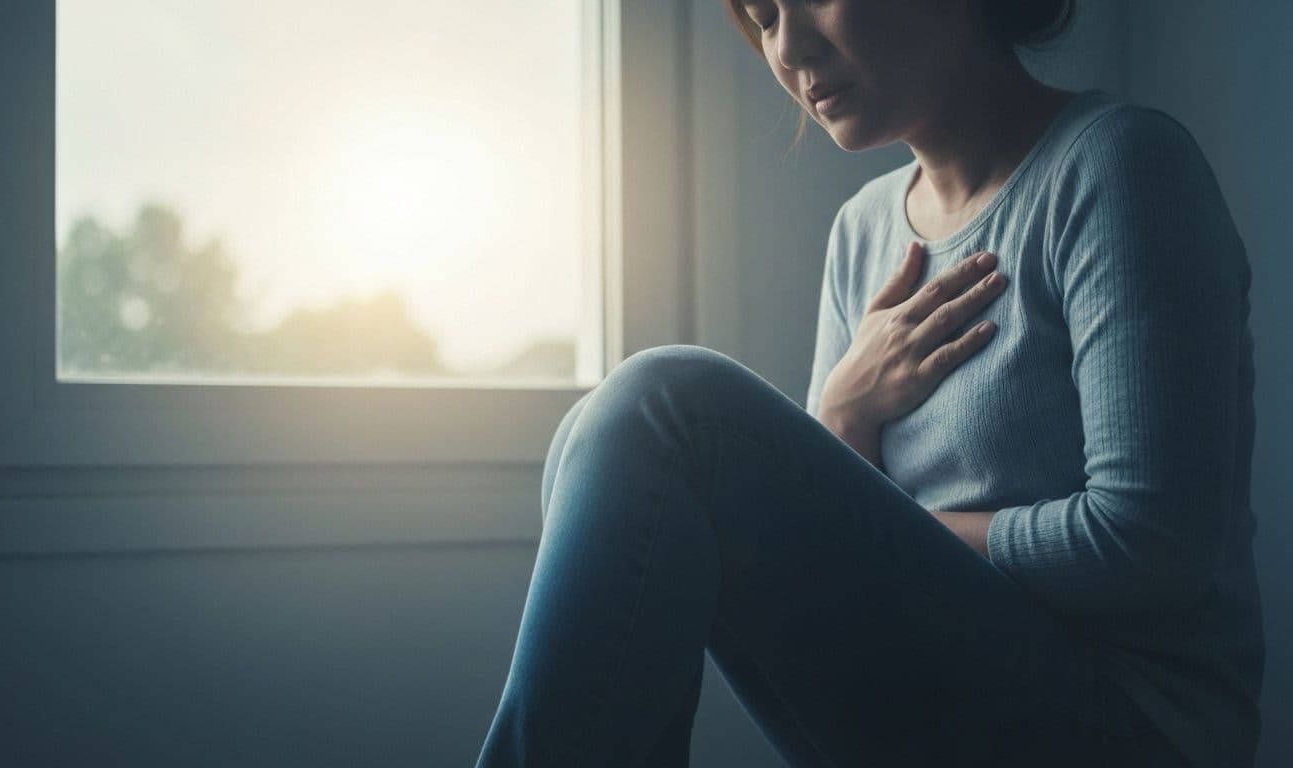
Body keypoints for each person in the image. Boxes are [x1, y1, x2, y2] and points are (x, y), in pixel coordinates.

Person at [475, 1, 1262, 766]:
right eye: (763, 16)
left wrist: (928, 536)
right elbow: (830, 544)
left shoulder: (1119, 165)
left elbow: (1149, 549)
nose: (786, 51)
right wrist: (843, 413)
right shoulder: (864, 230)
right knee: (590, 438)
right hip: (955, 686)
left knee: (665, 408)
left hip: (1127, 721)